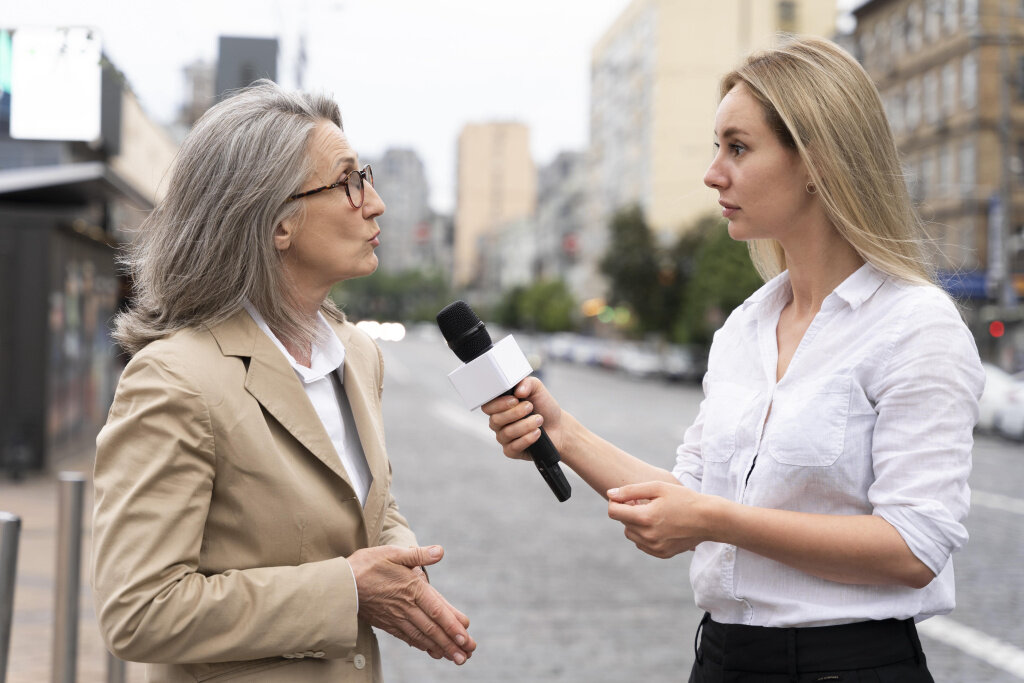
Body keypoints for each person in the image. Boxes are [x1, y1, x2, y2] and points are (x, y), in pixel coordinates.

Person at [483, 36, 983, 682]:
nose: (713, 172)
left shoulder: (915, 324)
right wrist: (561, 430)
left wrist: (717, 520)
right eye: (718, 147)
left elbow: (914, 545)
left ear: (816, 160)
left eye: (738, 148)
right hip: (722, 660)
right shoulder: (744, 328)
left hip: (849, 666)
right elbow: (689, 494)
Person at [91, 80, 475, 682]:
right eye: (349, 182)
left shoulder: (356, 354)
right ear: (276, 225)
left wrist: (403, 565)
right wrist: (348, 590)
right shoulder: (174, 380)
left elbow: (367, 501)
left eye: (367, 176)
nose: (374, 203)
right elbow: (138, 610)